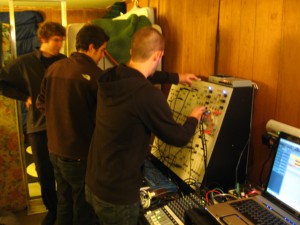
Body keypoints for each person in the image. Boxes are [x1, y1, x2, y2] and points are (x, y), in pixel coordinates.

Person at [85, 26, 206, 225]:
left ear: (132, 51)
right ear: (159, 55)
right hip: (117, 196)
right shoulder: (146, 94)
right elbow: (178, 137)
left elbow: (142, 74)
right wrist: (193, 117)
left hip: (94, 182)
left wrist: (176, 78)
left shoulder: (112, 76)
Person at [36, 24, 109, 225]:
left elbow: (40, 103)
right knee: (82, 208)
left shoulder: (54, 68)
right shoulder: (95, 76)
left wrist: (60, 118)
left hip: (54, 150)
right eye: (102, 50)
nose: (103, 55)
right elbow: (104, 118)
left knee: (64, 201)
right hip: (79, 155)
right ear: (92, 47)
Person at [0, 21, 66, 225]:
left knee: (64, 173)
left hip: (63, 126)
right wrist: (24, 96)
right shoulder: (25, 62)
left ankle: (65, 213)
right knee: (44, 174)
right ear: (43, 39)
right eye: (56, 40)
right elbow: (2, 81)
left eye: (62, 40)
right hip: (38, 127)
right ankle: (53, 212)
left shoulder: (64, 61)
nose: (60, 45)